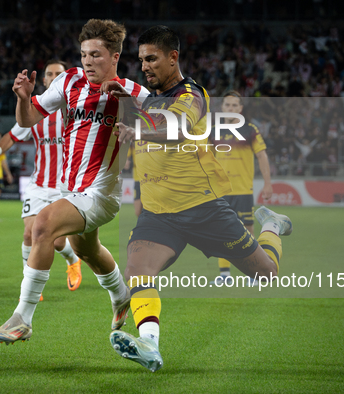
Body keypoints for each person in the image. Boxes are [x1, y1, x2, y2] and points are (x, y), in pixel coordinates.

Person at [106, 25, 292, 372]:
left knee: (266, 274)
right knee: (137, 270)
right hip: (159, 213)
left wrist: (140, 129)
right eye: (141, 60)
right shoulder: (150, 99)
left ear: (172, 57)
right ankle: (149, 344)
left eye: (152, 58)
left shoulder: (191, 95)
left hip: (203, 209)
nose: (144, 66)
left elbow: (175, 129)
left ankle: (272, 226)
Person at [0, 19, 150, 345]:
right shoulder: (69, 80)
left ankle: (23, 318)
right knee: (86, 249)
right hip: (69, 189)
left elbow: (172, 127)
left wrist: (136, 123)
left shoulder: (133, 91)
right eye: (84, 54)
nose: (88, 61)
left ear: (115, 56)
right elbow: (29, 119)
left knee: (42, 225)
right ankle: (121, 296)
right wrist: (23, 98)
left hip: (101, 192)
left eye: (96, 55)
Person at [0, 59, 83, 294]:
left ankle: (72, 260)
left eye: (59, 73)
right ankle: (30, 285)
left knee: (56, 241)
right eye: (50, 74)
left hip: (64, 186)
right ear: (44, 80)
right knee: (28, 233)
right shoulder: (35, 112)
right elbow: (11, 136)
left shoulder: (77, 110)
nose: (54, 77)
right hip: (38, 183)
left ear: (67, 78)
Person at [210, 91, 273, 285]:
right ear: (222, 108)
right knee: (221, 231)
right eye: (227, 105)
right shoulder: (213, 130)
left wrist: (267, 183)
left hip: (243, 190)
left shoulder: (250, 129)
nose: (230, 109)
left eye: (234, 105)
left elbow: (262, 156)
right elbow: (206, 159)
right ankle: (224, 275)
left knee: (247, 232)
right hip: (221, 191)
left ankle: (253, 274)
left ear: (240, 109)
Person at [124, 141, 143, 217]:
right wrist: (126, 162)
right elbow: (126, 163)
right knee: (138, 212)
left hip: (151, 179)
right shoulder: (131, 145)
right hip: (137, 179)